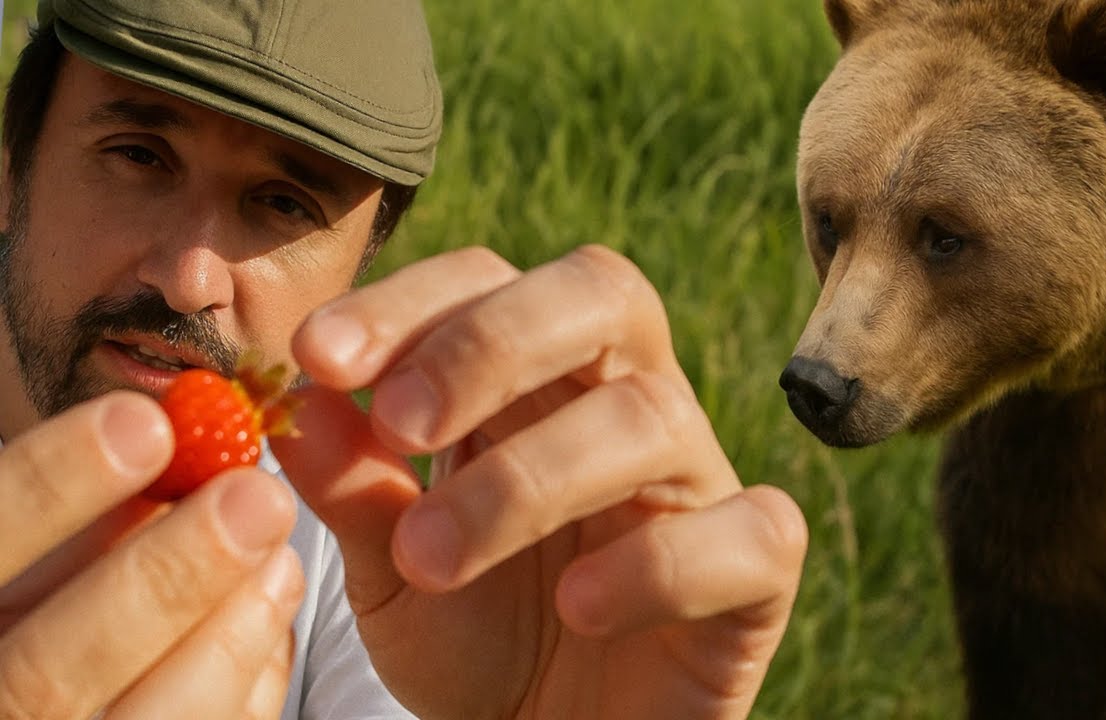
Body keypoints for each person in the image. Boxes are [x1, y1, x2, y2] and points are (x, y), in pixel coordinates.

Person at [0, 0, 809, 718]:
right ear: (10, 166)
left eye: (282, 204)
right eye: (139, 154)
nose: (189, 280)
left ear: (360, 270)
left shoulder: (367, 546)